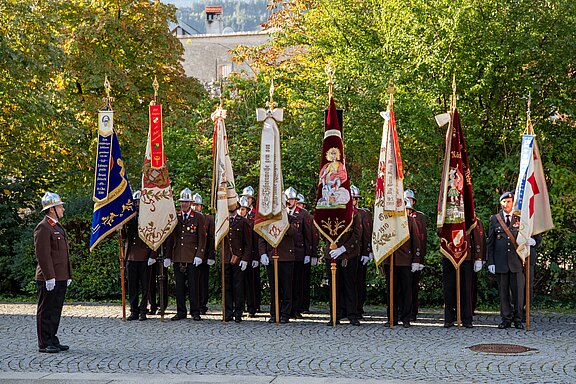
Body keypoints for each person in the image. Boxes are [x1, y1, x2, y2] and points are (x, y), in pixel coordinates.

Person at [487, 191, 532, 329]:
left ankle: (518, 319)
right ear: (501, 203)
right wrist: (491, 262)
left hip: (517, 262)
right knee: (503, 293)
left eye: (509, 202)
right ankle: (506, 319)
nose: (506, 204)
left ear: (513, 203)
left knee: (518, 293)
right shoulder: (495, 219)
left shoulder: (520, 218)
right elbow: (491, 242)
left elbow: (526, 235)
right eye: (504, 202)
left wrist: (531, 241)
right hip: (500, 262)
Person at [34, 192, 72, 353]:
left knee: (56, 309)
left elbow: (64, 254)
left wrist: (68, 274)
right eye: (60, 206)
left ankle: (52, 338)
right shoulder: (43, 227)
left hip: (60, 276)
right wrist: (49, 277)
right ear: (52, 210)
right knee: (46, 310)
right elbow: (43, 254)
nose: (63, 209)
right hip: (49, 277)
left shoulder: (56, 226)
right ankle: (44, 342)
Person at [165, 188, 207, 321]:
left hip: (192, 256)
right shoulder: (175, 217)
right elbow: (170, 238)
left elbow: (202, 238)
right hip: (178, 256)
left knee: (194, 286)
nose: (184, 204)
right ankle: (181, 311)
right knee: (179, 287)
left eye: (186, 202)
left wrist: (200, 255)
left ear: (191, 203)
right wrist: (168, 256)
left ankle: (195, 311)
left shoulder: (198, 217)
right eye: (182, 202)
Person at [382, 198, 424, 328]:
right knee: (392, 292)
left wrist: (416, 261)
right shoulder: (388, 221)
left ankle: (406, 318)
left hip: (406, 262)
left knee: (406, 291)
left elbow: (416, 241)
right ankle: (392, 318)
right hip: (391, 262)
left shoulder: (410, 221)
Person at [442, 217, 485, 328]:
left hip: (466, 256)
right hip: (449, 255)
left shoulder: (472, 218)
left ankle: (466, 319)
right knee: (449, 288)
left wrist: (478, 258)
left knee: (466, 289)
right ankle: (449, 318)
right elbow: (439, 232)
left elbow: (477, 237)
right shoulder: (445, 217)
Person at [324, 207, 363, 326]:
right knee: (334, 286)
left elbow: (357, 235)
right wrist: (331, 245)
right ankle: (335, 315)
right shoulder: (327, 211)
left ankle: (352, 315)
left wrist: (343, 248)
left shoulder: (355, 214)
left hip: (348, 255)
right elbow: (322, 230)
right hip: (332, 253)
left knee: (350, 285)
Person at [259, 212, 299, 324]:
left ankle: (285, 314)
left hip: (286, 258)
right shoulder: (269, 218)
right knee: (274, 288)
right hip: (272, 256)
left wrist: (283, 220)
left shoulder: (292, 219)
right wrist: (263, 253)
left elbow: (293, 232)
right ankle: (274, 313)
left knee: (286, 288)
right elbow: (262, 237)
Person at [123, 190, 156, 321]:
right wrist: (121, 227)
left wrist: (153, 255)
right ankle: (134, 310)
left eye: (139, 202)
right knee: (132, 287)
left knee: (145, 286)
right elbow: (126, 237)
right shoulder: (128, 218)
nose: (137, 205)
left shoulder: (149, 218)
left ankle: (143, 310)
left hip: (145, 256)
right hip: (131, 256)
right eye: (135, 202)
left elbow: (155, 238)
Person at [285, 187, 313, 319]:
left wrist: (309, 253)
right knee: (287, 283)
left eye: (292, 199)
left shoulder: (303, 214)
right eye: (288, 199)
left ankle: (296, 309)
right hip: (285, 253)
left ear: (296, 201)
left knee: (297, 283)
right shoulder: (281, 213)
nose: (290, 201)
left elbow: (308, 235)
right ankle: (287, 309)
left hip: (299, 252)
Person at [222, 201, 252, 322]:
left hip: (238, 258)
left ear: (237, 207)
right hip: (226, 258)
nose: (231, 208)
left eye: (233, 206)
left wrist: (245, 259)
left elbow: (248, 243)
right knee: (227, 287)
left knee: (238, 287)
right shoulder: (222, 221)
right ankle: (228, 312)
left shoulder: (243, 221)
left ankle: (238, 313)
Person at [404, 189, 427, 321]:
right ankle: (404, 311)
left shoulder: (420, 217)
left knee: (414, 286)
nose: (409, 202)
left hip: (415, 256)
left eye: (411, 200)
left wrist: (420, 258)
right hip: (404, 258)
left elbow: (422, 238)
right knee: (403, 287)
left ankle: (413, 312)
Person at [350, 185, 373, 319]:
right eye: (351, 198)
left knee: (359, 282)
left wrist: (366, 251)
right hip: (347, 252)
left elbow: (366, 233)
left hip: (359, 252)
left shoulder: (363, 213)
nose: (353, 201)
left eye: (355, 199)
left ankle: (358, 308)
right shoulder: (344, 212)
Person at [192, 193, 215, 315]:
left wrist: (211, 255)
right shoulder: (190, 218)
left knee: (203, 281)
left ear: (202, 206)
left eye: (198, 205)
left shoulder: (208, 219)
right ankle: (194, 303)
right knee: (193, 281)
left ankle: (202, 304)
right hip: (192, 255)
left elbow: (211, 238)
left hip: (205, 255)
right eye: (194, 205)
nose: (196, 207)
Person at [238, 196, 261, 317]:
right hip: (238, 257)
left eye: (243, 209)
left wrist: (256, 257)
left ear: (247, 210)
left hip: (251, 256)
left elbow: (256, 241)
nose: (241, 211)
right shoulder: (235, 221)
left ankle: (252, 307)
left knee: (250, 283)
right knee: (239, 284)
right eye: (239, 209)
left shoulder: (251, 222)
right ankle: (240, 307)